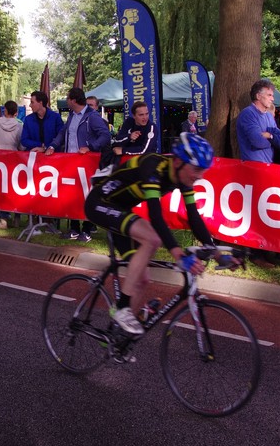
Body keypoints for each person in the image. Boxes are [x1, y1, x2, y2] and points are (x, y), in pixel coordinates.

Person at [84, 132, 240, 334]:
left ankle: (116, 336)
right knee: (152, 239)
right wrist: (178, 255)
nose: (200, 176)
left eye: (203, 170)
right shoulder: (153, 167)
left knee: (142, 279)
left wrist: (217, 254)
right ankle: (122, 308)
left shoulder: (183, 178)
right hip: (99, 203)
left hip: (121, 209)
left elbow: (194, 218)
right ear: (179, 162)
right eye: (196, 169)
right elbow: (156, 217)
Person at [45, 87, 112, 242]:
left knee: (87, 195)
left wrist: (91, 147)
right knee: (72, 195)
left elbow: (105, 135)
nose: (66, 100)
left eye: (68, 98)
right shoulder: (71, 115)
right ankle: (74, 228)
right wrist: (53, 146)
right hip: (70, 161)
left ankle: (87, 230)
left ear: (74, 100)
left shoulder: (92, 116)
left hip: (86, 162)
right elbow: (63, 133)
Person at [235, 80, 280, 269]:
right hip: (254, 170)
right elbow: (257, 142)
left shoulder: (269, 117)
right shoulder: (248, 114)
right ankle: (255, 254)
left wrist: (269, 136)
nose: (273, 98)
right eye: (269, 95)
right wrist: (268, 138)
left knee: (266, 213)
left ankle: (264, 250)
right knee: (256, 213)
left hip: (268, 169)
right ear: (258, 96)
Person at [0, 101, 23, 229]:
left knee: (1, 189)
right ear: (16, 112)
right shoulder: (19, 125)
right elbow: (21, 144)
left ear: (5, 110)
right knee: (14, 188)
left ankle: (3, 219)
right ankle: (16, 217)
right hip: (13, 159)